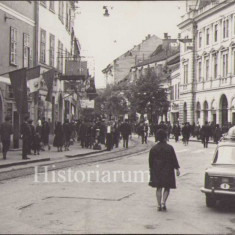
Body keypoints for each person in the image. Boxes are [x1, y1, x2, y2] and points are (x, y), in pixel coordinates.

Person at [149, 129, 180, 211]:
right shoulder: (170, 148)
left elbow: (150, 161)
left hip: (157, 170)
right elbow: (174, 159)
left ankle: (158, 205)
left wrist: (151, 171)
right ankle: (163, 202)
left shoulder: (153, 148)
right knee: (167, 187)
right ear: (165, 137)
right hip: (168, 170)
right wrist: (177, 169)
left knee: (158, 188)